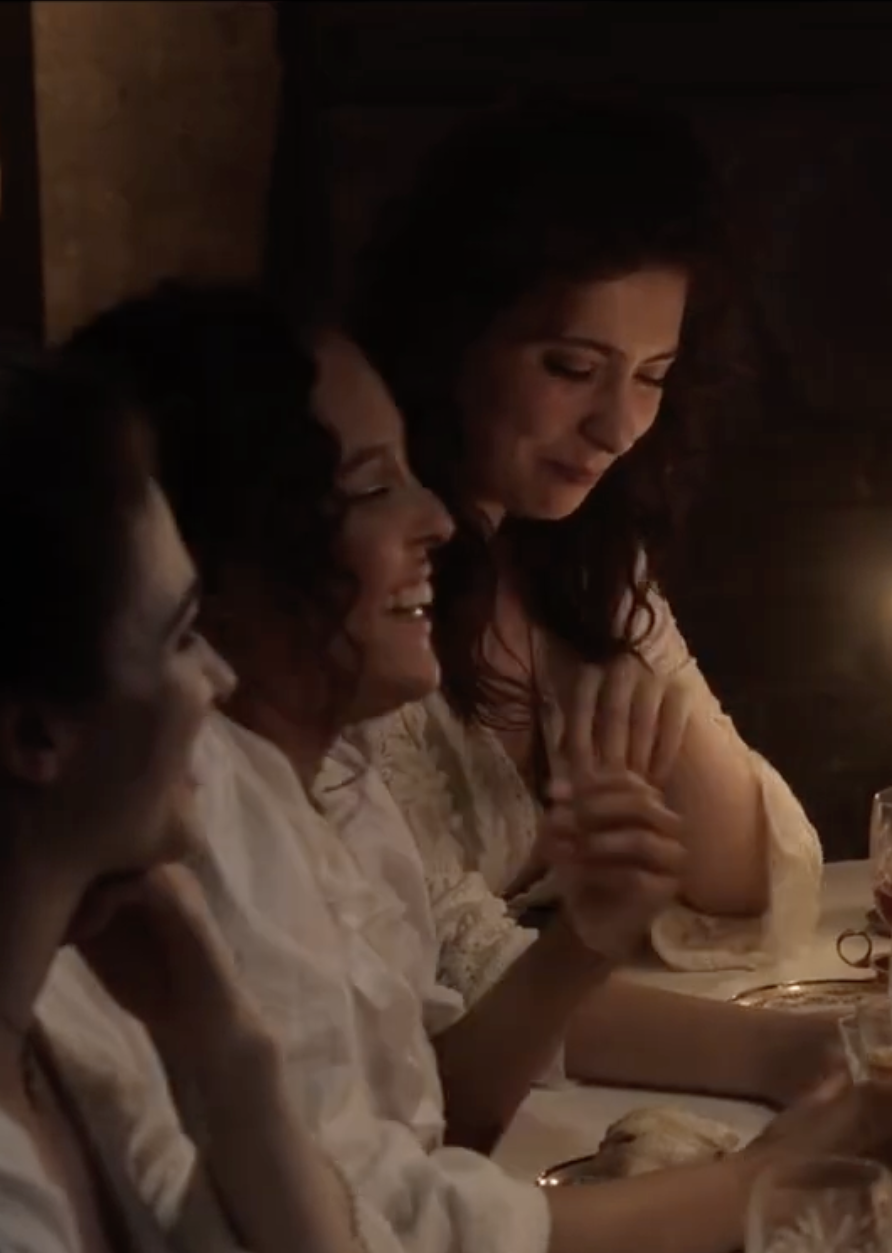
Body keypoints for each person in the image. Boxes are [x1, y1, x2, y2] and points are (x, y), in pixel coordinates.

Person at [63, 285, 892, 1253]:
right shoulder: (209, 824)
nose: (435, 518)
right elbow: (397, 1246)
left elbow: (435, 1112)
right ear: (224, 558)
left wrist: (584, 940)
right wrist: (771, 1181)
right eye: (374, 485)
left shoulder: (333, 785)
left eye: (655, 377)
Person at [342, 93, 826, 1137]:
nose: (615, 427)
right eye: (570, 369)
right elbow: (462, 979)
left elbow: (758, 873)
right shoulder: (362, 588)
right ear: (454, 332)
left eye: (652, 378)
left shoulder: (578, 554)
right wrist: (782, 1052)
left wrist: (650, 718)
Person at [0, 333, 396, 1253]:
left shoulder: (73, 1023)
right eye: (182, 633)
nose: (220, 680)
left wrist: (231, 1052)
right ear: (33, 731)